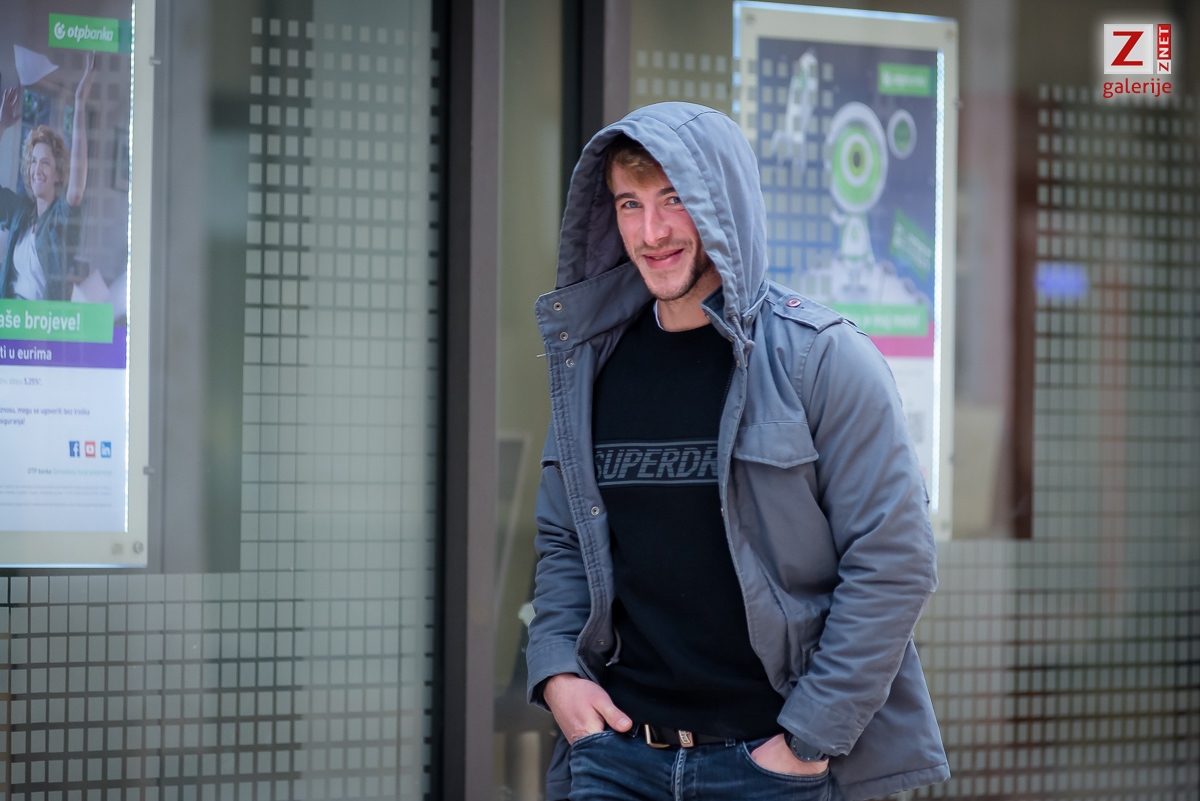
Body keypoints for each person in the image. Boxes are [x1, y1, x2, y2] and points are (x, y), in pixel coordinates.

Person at [526, 102, 948, 801]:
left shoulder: (822, 360)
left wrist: (808, 736)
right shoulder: (593, 367)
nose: (652, 231)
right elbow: (565, 539)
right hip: (616, 758)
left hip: (770, 765)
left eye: (675, 200)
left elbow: (894, 560)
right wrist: (558, 673)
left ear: (724, 204)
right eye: (630, 204)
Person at [0, 52, 96, 301]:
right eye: (33, 162)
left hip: (43, 321)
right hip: (10, 317)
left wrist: (79, 104)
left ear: (58, 172)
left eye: (45, 163)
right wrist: (2, 126)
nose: (37, 170)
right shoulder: (21, 211)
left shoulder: (61, 216)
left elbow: (76, 191)